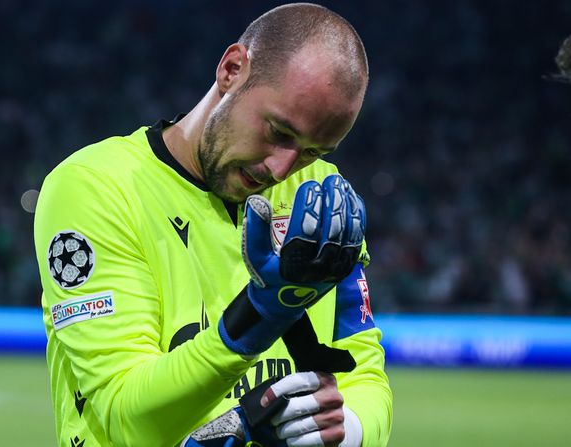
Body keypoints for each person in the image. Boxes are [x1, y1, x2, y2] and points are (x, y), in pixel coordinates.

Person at [34, 3, 392, 446]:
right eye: (279, 132)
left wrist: (348, 431)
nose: (282, 169)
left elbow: (364, 373)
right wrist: (255, 320)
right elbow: (126, 419)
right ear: (232, 69)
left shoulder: (318, 193)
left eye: (313, 151)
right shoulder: (96, 188)